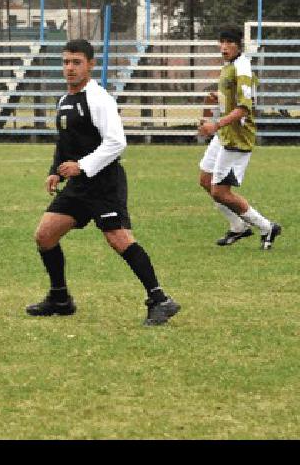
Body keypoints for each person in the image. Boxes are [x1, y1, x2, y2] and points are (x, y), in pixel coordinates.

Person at [25, 39, 180, 326]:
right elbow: (65, 143)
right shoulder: (64, 100)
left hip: (104, 183)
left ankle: (160, 300)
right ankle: (60, 298)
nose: (70, 68)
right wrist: (55, 171)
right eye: (66, 62)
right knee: (45, 236)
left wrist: (82, 166)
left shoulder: (98, 99)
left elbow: (117, 143)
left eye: (77, 62)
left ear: (91, 65)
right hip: (79, 185)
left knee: (118, 239)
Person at [197, 25, 281, 249]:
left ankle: (266, 227)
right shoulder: (230, 65)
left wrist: (215, 124)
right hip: (224, 133)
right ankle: (238, 227)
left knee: (220, 191)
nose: (224, 47)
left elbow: (244, 108)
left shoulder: (243, 69)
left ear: (239, 45)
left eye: (229, 42)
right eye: (221, 42)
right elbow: (230, 97)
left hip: (237, 136)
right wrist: (215, 98)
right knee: (205, 180)